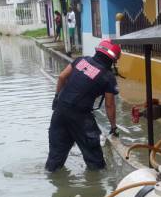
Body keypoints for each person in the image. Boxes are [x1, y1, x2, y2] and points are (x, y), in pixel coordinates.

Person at [46, 39, 122, 172]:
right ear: (113, 60)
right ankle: (96, 188)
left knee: (55, 159)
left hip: (60, 112)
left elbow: (62, 77)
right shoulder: (108, 77)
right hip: (81, 117)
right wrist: (114, 127)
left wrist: (57, 98)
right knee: (96, 162)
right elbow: (109, 105)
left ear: (98, 50)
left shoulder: (81, 60)